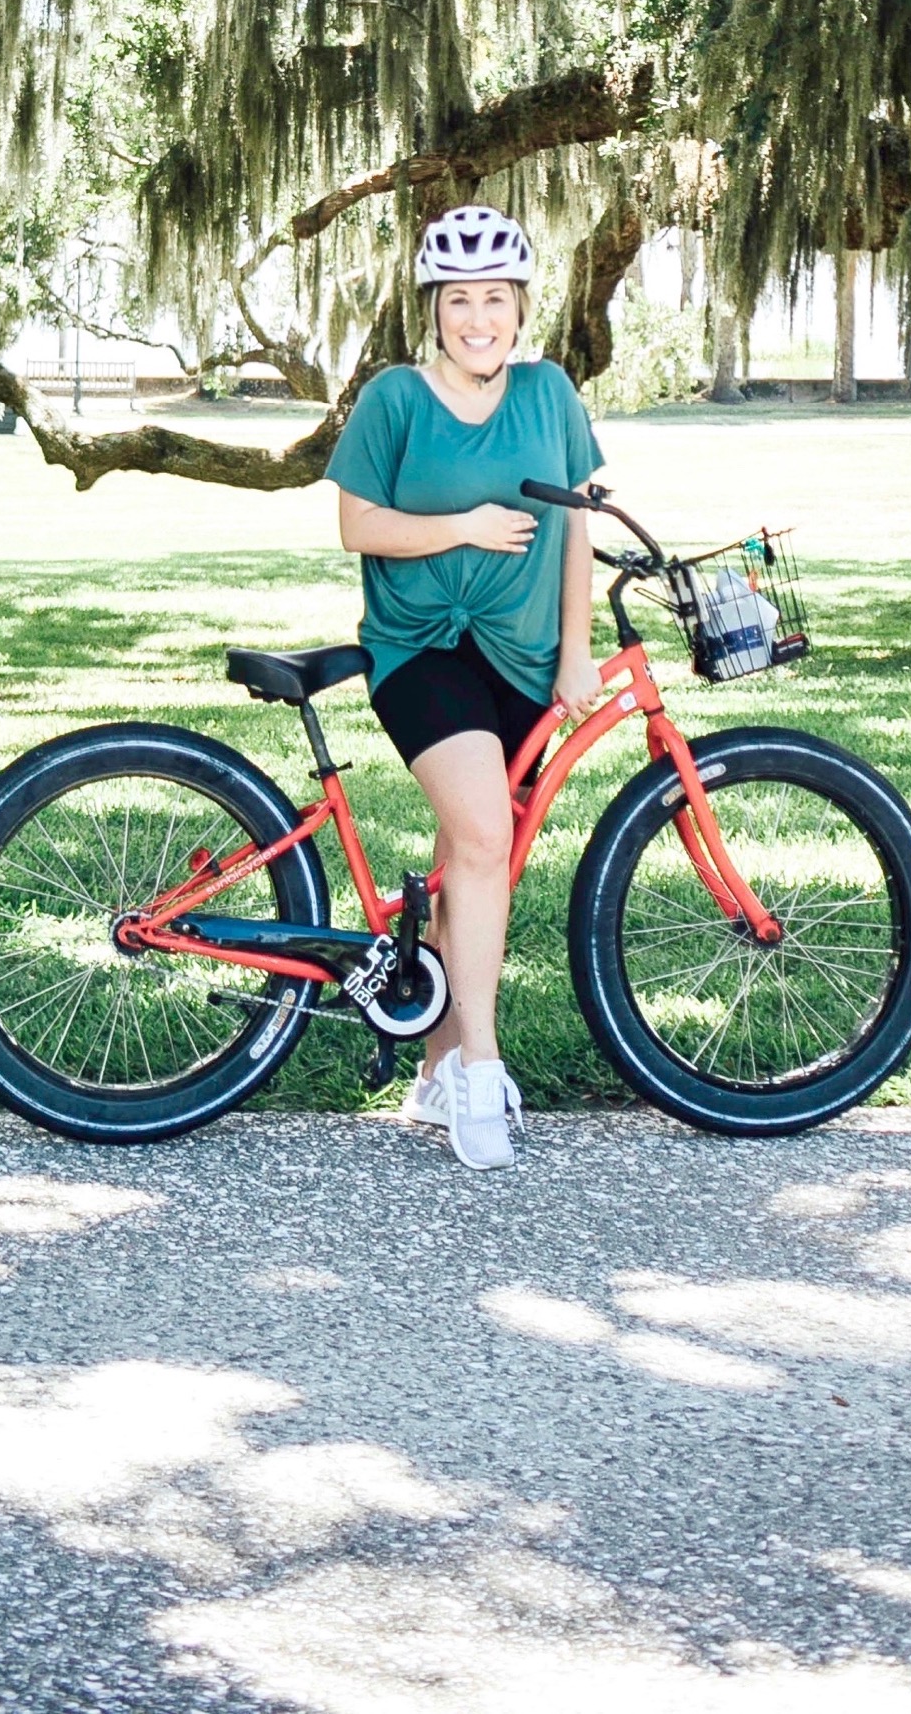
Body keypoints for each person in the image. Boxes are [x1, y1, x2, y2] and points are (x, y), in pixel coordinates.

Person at [325, 206, 603, 1171]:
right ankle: (482, 1066)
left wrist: (577, 650)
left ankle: (436, 1070)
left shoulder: (550, 395)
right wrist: (466, 526)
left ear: (520, 308)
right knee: (486, 837)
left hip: (525, 659)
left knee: (472, 868)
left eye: (494, 299)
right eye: (458, 300)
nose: (477, 318)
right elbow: (359, 526)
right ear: (433, 309)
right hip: (422, 650)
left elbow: (576, 528)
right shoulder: (394, 400)